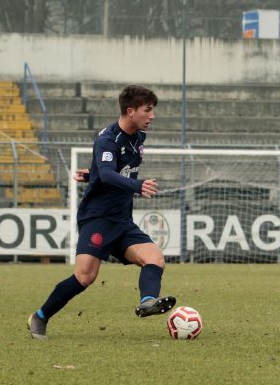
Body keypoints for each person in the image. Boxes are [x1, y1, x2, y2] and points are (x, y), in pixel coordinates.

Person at [28, 85, 176, 339]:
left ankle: (148, 301)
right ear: (131, 111)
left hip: (121, 220)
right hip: (97, 218)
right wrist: (136, 186)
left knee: (155, 257)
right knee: (85, 276)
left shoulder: (139, 136)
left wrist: (91, 173)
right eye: (147, 110)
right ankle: (40, 317)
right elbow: (108, 174)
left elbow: (110, 169)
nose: (152, 116)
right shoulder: (108, 139)